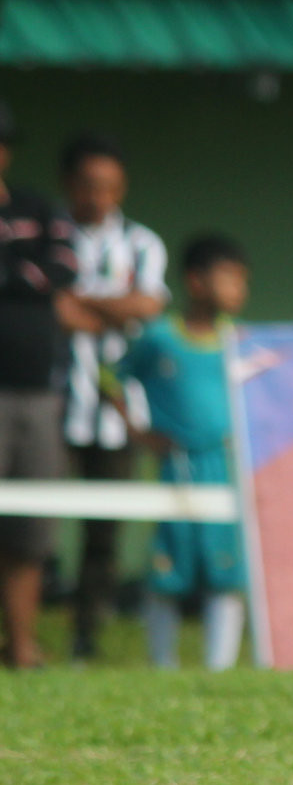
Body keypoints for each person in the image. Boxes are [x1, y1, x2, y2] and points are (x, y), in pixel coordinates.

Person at [109, 235, 250, 670]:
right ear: (195, 281)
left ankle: (220, 667)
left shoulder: (238, 341)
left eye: (242, 282)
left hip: (224, 466)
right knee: (170, 564)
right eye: (227, 279)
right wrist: (138, 431)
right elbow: (112, 376)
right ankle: (162, 664)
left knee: (225, 567)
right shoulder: (161, 338)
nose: (237, 291)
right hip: (175, 466)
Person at [56, 132, 167, 661]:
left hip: (121, 411)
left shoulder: (143, 244)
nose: (98, 198)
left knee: (105, 531)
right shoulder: (50, 238)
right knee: (29, 522)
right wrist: (114, 305)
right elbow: (51, 309)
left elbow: (146, 306)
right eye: (87, 186)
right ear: (68, 185)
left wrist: (82, 304)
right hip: (58, 403)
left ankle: (86, 638)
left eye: (109, 188)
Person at [0, 102, 78, 669]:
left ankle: (22, 645)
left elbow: (66, 268)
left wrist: (16, 271)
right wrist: (29, 272)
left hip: (38, 393)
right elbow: (41, 274)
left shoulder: (36, 206)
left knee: (29, 531)